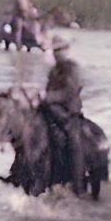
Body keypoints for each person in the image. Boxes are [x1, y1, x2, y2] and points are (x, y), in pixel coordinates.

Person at [41, 35, 86, 194]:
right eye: (54, 51)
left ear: (66, 50)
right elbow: (48, 89)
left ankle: (78, 183)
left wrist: (49, 97)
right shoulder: (53, 70)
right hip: (51, 110)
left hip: (69, 112)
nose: (56, 54)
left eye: (59, 50)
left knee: (73, 141)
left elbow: (70, 91)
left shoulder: (72, 68)